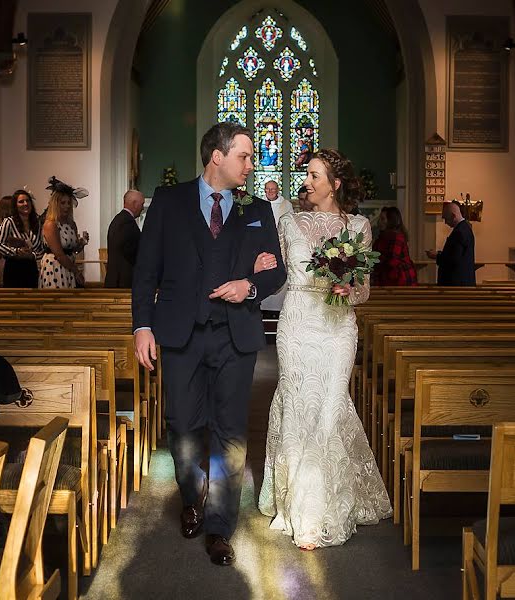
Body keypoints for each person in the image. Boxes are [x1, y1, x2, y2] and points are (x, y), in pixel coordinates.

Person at [132, 122, 286, 566]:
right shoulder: (169, 202)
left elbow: (275, 273)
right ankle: (190, 494)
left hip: (235, 335)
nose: (251, 164)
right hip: (180, 334)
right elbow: (146, 270)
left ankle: (219, 525)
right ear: (216, 156)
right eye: (245, 155)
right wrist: (142, 326)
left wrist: (249, 285)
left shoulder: (257, 209)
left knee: (231, 433)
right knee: (181, 426)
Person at [257, 148, 392, 550]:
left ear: (335, 184)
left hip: (336, 328)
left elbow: (364, 289)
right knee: (300, 408)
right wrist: (258, 270)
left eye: (315, 176)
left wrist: (348, 288)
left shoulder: (360, 226)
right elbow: (279, 279)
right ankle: (304, 512)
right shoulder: (288, 223)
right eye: (307, 175)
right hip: (297, 324)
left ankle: (324, 506)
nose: (307, 182)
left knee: (331, 407)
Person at [39, 177, 89, 289]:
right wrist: (76, 271)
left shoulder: (71, 223)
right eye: (63, 203)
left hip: (68, 266)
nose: (67, 206)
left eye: (68, 203)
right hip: (55, 267)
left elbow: (73, 250)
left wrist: (81, 244)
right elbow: (59, 254)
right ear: (56, 204)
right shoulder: (51, 224)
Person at [0, 189, 44, 288]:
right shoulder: (9, 222)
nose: (25, 204)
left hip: (32, 267)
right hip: (14, 268)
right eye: (21, 202)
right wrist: (16, 251)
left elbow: (41, 247)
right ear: (15, 205)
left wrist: (33, 255)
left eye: (28, 201)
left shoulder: (37, 222)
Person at [425, 200, 476, 286]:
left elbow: (453, 259)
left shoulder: (460, 232)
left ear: (453, 216)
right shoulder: (464, 228)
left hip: (457, 284)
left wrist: (436, 256)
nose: (445, 222)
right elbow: (454, 254)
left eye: (446, 218)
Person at [260, 181, 293, 313]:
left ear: (277, 189)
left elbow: (290, 224)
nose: (270, 192)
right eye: (268, 189)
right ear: (264, 190)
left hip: (281, 243)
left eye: (273, 189)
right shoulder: (259, 204)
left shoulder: (287, 205)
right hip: (263, 243)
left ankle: (278, 307)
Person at [105, 190, 144, 288]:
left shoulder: (120, 219)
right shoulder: (127, 222)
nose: (143, 208)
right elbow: (131, 251)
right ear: (134, 204)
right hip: (122, 281)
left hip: (117, 279)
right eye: (142, 204)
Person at [372, 206, 418, 286]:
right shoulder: (382, 238)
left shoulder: (396, 237)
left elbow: (392, 260)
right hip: (390, 279)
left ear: (391, 221)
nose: (379, 222)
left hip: (399, 280)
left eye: (383, 219)